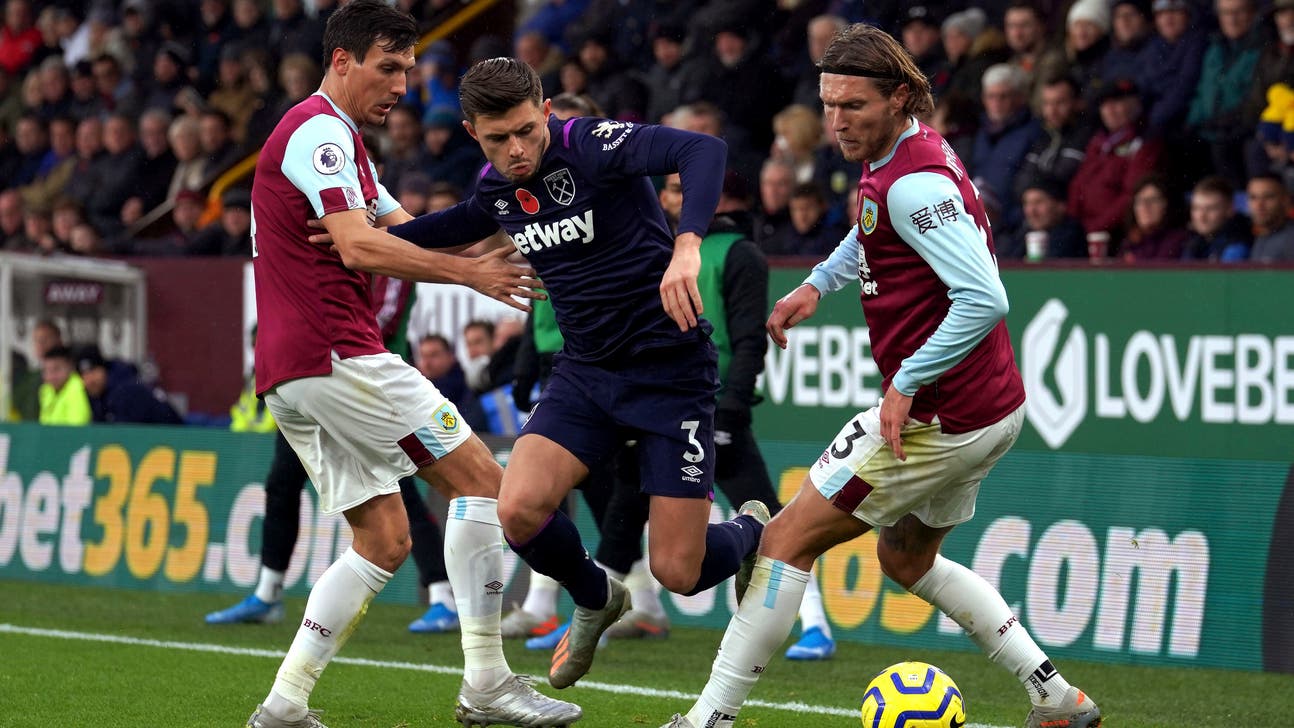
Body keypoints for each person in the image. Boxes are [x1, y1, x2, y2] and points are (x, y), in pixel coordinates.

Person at [662, 24, 1102, 728]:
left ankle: (707, 719)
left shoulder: (913, 182)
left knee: (783, 540)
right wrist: (818, 283)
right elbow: (873, 227)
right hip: (991, 407)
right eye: (830, 105)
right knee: (905, 559)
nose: (837, 122)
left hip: (938, 416)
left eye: (853, 107)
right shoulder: (907, 147)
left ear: (899, 96)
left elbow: (986, 296)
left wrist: (906, 384)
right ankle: (1054, 696)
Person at [369, 56, 768, 692]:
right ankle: (594, 593)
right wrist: (356, 236)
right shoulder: (495, 187)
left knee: (677, 569)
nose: (517, 149)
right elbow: (448, 229)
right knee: (518, 509)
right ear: (473, 132)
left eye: (527, 130)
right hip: (585, 373)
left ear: (546, 112)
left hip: (670, 372)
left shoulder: (596, 146)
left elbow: (704, 150)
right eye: (498, 138)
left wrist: (686, 244)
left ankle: (751, 530)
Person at [245, 3, 580, 726]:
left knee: (385, 538)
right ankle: (487, 682)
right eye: (388, 67)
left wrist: (496, 249)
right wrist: (469, 278)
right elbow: (360, 247)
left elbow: (404, 229)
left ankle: (284, 704)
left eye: (408, 68)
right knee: (489, 486)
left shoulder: (343, 143)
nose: (402, 84)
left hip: (296, 367)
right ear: (342, 61)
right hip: (337, 352)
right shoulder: (319, 134)